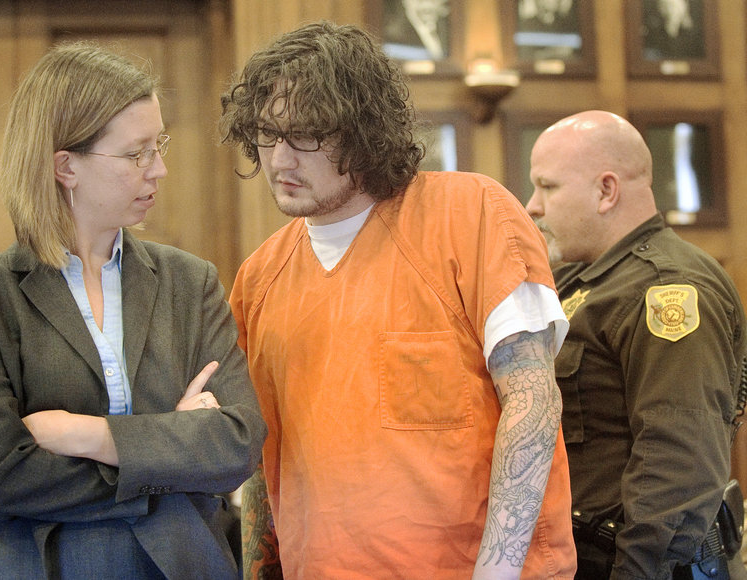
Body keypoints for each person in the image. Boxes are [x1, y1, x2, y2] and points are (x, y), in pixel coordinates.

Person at [220, 21, 577, 580]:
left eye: (306, 134)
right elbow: (264, 463)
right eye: (267, 135)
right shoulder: (259, 275)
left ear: (362, 130)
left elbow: (532, 401)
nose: (280, 160)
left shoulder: (471, 213)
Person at [0, 42, 267, 580]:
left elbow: (236, 443)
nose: (160, 169)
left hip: (181, 562)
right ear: (66, 166)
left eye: (158, 144)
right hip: (33, 562)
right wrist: (169, 456)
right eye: (137, 152)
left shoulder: (190, 282)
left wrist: (87, 435)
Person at [526, 110, 747, 579]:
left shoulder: (667, 289)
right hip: (583, 554)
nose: (532, 206)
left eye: (548, 187)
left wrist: (636, 572)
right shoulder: (586, 280)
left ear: (606, 191)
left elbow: (678, 464)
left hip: (641, 565)